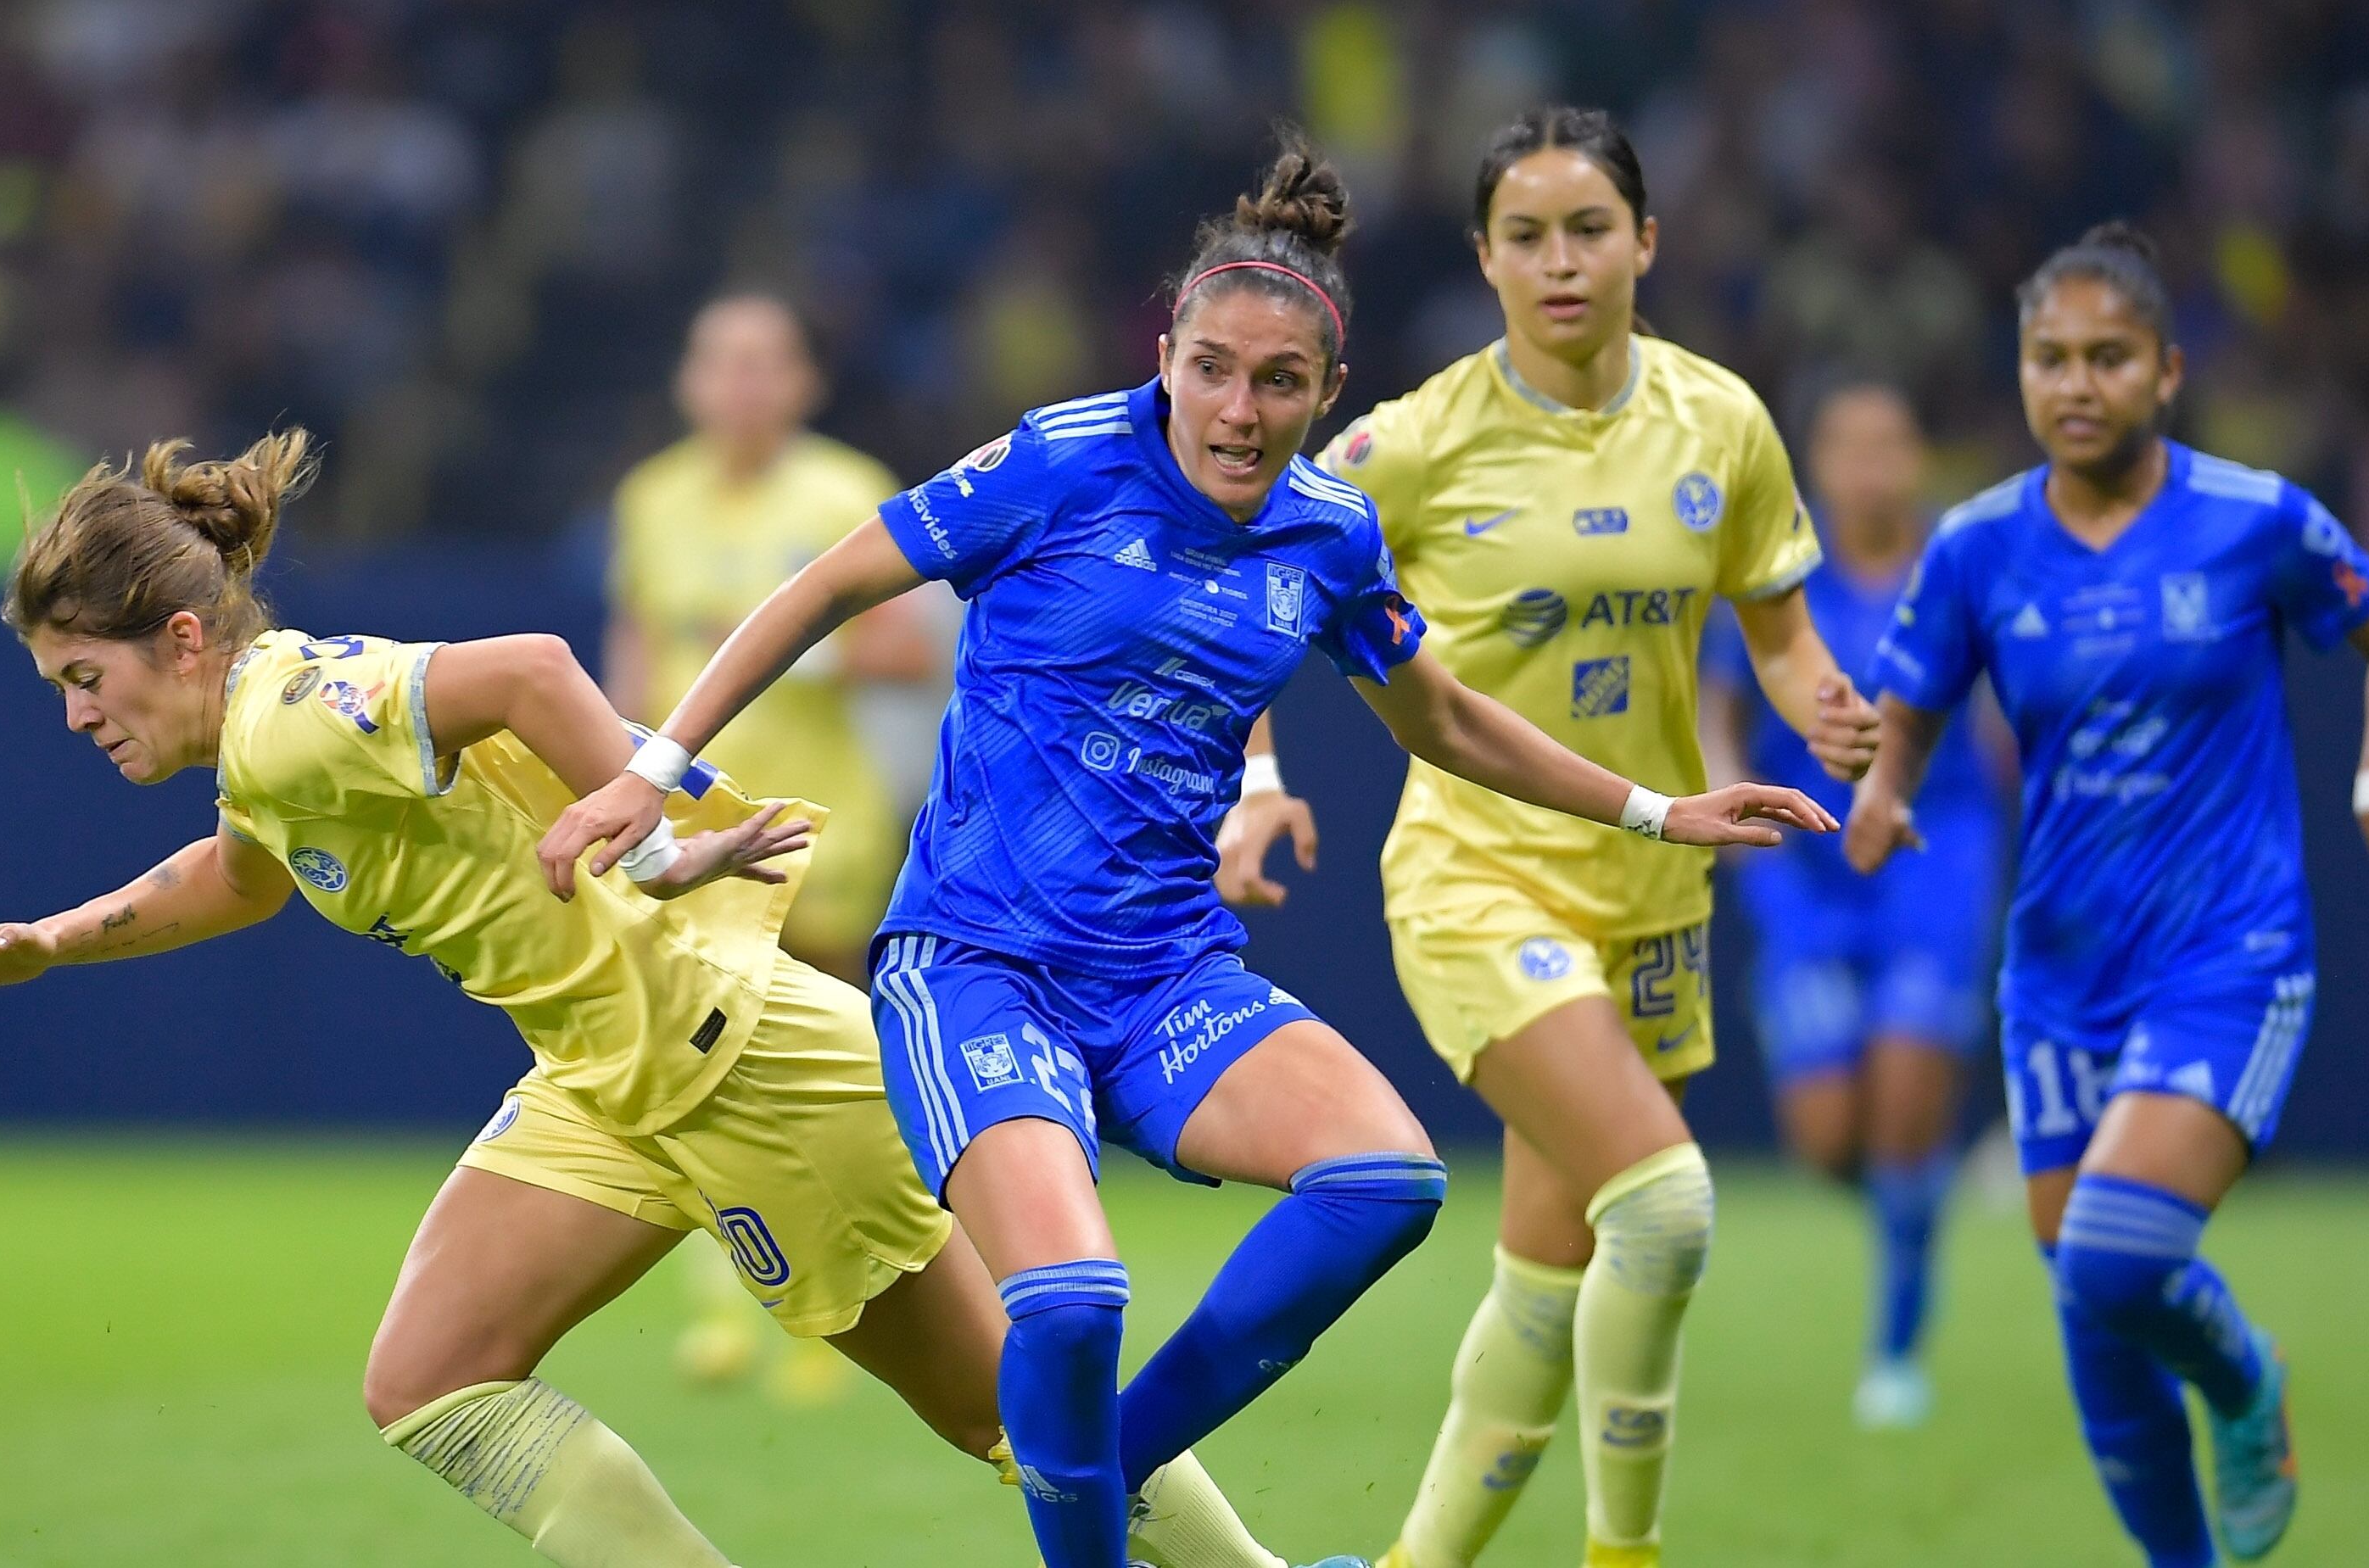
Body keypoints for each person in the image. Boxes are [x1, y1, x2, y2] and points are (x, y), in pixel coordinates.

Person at [544, 137, 1832, 1568]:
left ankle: (1084, 1473)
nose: (1237, 407)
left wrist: (1660, 811)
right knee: (1074, 1301)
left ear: (1326, 396)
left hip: (1162, 972)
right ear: (1167, 354)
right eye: (1212, 367)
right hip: (979, 965)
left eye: (1279, 382)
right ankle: (1087, 1502)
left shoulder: (1333, 535)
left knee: (1386, 1181)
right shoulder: (1058, 462)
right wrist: (648, 772)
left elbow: (1447, 719)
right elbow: (829, 584)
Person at [0, 432, 1299, 1568]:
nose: (73, 712)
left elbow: (531, 671)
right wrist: (43, 943)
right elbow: (240, 880)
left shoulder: (293, 717)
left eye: (83, 674)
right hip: (608, 1079)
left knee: (1007, 1410)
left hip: (732, 1061)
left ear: (182, 640)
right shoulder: (268, 751)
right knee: (431, 1376)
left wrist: (655, 824)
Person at [1221, 108, 1881, 1568]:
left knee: (1551, 1265)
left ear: (1647, 240)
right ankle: (1626, 1555)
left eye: (1590, 229)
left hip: (1655, 883)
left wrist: (1823, 704)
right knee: (1667, 1207)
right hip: (1477, 874)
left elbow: (1776, 635)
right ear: (1485, 258)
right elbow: (1238, 600)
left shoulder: (1724, 422)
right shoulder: (1416, 443)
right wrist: (1256, 774)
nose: (1561, 260)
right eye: (1527, 235)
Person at [1847, 224, 2369, 1568]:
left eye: (2109, 357)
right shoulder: (1977, 545)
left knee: (2122, 1254)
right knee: (2093, 1307)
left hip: (2225, 951)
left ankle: (2245, 1380)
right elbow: (1915, 703)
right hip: (2060, 970)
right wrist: (1889, 787)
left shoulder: (2254, 519)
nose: (2076, 384)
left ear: (2169, 372)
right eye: (2049, 358)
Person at [608, 292, 940, 1399]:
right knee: (687, 1063)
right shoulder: (651, 499)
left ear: (802, 382)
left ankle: (846, 1311)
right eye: (722, 362)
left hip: (812, 823)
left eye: (766, 363)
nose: (743, 384)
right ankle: (726, 1306)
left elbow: (912, 648)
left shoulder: (846, 491)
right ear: (690, 382)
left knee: (845, 1061)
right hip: (686, 830)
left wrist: (814, 658)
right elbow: (632, 658)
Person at [1697, 381, 2004, 1430]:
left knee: (1908, 1109)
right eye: (1848, 446)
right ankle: (1915, 1217)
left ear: (1918, 457)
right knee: (1830, 1138)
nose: (1870, 466)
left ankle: (1897, 1346)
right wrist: (1741, 833)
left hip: (1934, 861)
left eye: (1890, 444)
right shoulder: (1780, 570)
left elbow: (2013, 720)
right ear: (1816, 464)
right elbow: (1717, 717)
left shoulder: (1959, 569)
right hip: (1806, 871)